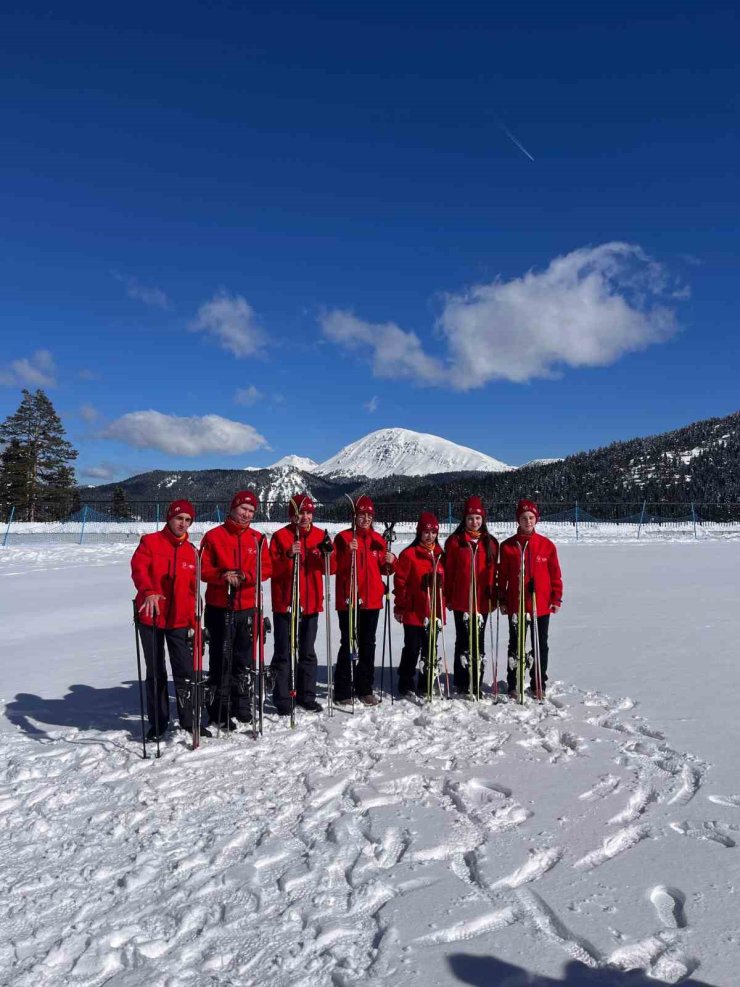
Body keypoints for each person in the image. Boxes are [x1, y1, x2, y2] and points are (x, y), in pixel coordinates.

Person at [131, 499, 207, 739]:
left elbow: (194, 591)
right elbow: (139, 568)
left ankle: (189, 720)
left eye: (187, 520)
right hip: (151, 616)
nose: (182, 524)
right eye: (179, 518)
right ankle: (158, 721)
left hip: (180, 620)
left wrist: (196, 622)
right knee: (156, 671)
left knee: (185, 671)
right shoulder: (150, 542)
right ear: (169, 518)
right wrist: (148, 590)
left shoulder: (192, 551)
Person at [199, 490, 272, 728]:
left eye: (251, 511)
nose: (246, 514)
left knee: (243, 660)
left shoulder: (258, 539)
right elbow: (202, 569)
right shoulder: (213, 536)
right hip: (220, 607)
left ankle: (241, 705)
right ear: (233, 508)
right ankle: (220, 709)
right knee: (221, 659)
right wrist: (222, 575)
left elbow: (267, 568)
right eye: (243, 509)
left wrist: (247, 575)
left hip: (247, 607)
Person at [269, 493, 335, 715]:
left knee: (307, 651)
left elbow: (331, 569)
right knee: (284, 651)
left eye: (308, 512)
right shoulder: (280, 536)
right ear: (292, 515)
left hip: (311, 602)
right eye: (300, 513)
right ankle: (283, 697)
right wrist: (288, 555)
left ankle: (306, 695)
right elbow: (271, 569)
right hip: (286, 602)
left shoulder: (319, 535)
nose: (305, 517)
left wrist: (327, 553)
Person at [334, 495, 396, 706]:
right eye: (362, 514)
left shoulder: (378, 540)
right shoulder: (343, 538)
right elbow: (334, 568)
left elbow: (382, 568)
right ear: (355, 516)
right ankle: (343, 689)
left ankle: (364, 688)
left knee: (368, 644)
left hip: (372, 600)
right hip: (349, 599)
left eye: (369, 515)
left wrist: (390, 562)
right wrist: (346, 554)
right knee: (349, 643)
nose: (366, 518)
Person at [498, 499, 563, 699]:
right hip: (516, 604)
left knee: (540, 644)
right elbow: (503, 576)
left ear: (537, 519)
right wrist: (502, 598)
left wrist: (556, 597)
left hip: (540, 605)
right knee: (515, 644)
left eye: (531, 518)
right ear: (518, 519)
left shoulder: (546, 545)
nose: (528, 521)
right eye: (524, 518)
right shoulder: (508, 546)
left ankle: (538, 683)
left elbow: (555, 574)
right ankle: (513, 682)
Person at [443, 495, 498, 696]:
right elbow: (449, 571)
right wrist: (448, 596)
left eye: (477, 518)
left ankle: (476, 679)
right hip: (461, 599)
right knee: (463, 640)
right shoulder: (455, 541)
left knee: (479, 640)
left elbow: (494, 572)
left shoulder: (490, 542)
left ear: (482, 519)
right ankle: (461, 680)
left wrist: (494, 594)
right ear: (464, 520)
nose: (474, 522)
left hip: (483, 600)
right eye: (470, 518)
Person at [394, 511, 446, 697]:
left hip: (434, 610)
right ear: (419, 532)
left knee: (430, 647)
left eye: (433, 532)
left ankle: (426, 681)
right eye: (426, 532)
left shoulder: (441, 556)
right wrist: (400, 606)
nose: (429, 535)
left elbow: (446, 582)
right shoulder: (409, 554)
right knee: (412, 647)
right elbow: (400, 583)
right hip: (414, 610)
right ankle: (406, 681)